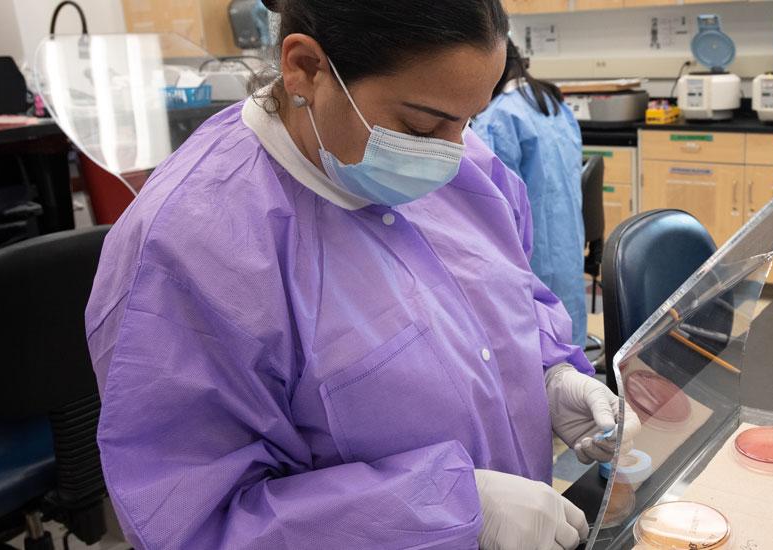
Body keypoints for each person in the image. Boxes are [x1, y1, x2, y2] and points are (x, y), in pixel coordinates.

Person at [84, 1, 636, 548]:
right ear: (304, 67)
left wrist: (549, 375)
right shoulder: (191, 251)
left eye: (469, 120)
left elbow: (510, 292)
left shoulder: (461, 163)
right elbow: (199, 525)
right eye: (420, 125)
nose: (452, 153)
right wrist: (452, 511)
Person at [474, 42, 587, 345]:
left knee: (537, 333)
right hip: (569, 243)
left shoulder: (498, 118)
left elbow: (491, 202)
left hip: (531, 252)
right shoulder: (553, 103)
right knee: (566, 324)